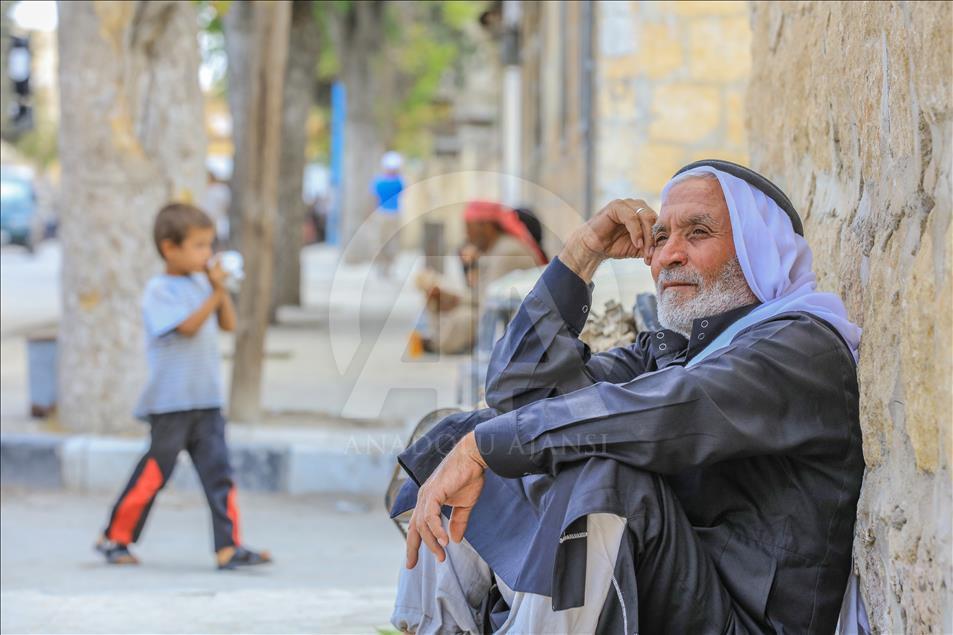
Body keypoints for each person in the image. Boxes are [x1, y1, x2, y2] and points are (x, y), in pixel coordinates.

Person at [389, 160, 864, 633]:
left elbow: (667, 413)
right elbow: (520, 395)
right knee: (461, 433)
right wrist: (581, 255)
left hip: (739, 622)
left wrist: (487, 449)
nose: (669, 255)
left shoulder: (800, 348)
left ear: (759, 250)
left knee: (602, 474)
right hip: (658, 598)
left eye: (697, 233)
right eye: (660, 237)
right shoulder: (673, 350)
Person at [94, 203, 272, 571]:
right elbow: (187, 327)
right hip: (170, 404)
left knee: (219, 474)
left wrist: (220, 290)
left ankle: (228, 546)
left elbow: (228, 324)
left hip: (206, 401)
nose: (208, 254)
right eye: (199, 246)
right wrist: (212, 293)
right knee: (154, 474)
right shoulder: (160, 290)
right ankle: (115, 536)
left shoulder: (202, 284)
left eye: (210, 245)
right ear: (169, 247)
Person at [418, 201, 548, 354]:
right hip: (496, 308)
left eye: (469, 228)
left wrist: (455, 299)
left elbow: (489, 301)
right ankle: (437, 341)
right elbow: (482, 294)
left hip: (514, 317)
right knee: (440, 303)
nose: (467, 235)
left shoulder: (507, 251)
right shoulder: (496, 248)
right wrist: (447, 297)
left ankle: (438, 343)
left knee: (465, 319)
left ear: (485, 227)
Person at [372, 151, 406, 277]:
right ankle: (389, 267)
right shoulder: (399, 182)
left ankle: (382, 267)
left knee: (381, 242)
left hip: (381, 213)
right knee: (393, 242)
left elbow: (373, 198)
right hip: (395, 214)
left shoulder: (379, 181)